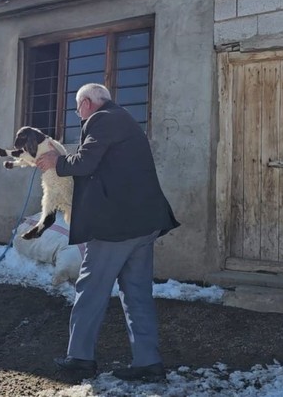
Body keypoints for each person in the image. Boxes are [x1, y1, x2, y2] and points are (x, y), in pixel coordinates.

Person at [35, 83, 180, 382]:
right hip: (143, 224)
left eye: (77, 108)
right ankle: (148, 363)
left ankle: (79, 359)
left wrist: (56, 162)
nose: (78, 115)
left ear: (88, 103)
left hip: (117, 226)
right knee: (137, 294)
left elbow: (86, 161)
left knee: (90, 290)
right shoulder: (124, 120)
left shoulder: (102, 120)